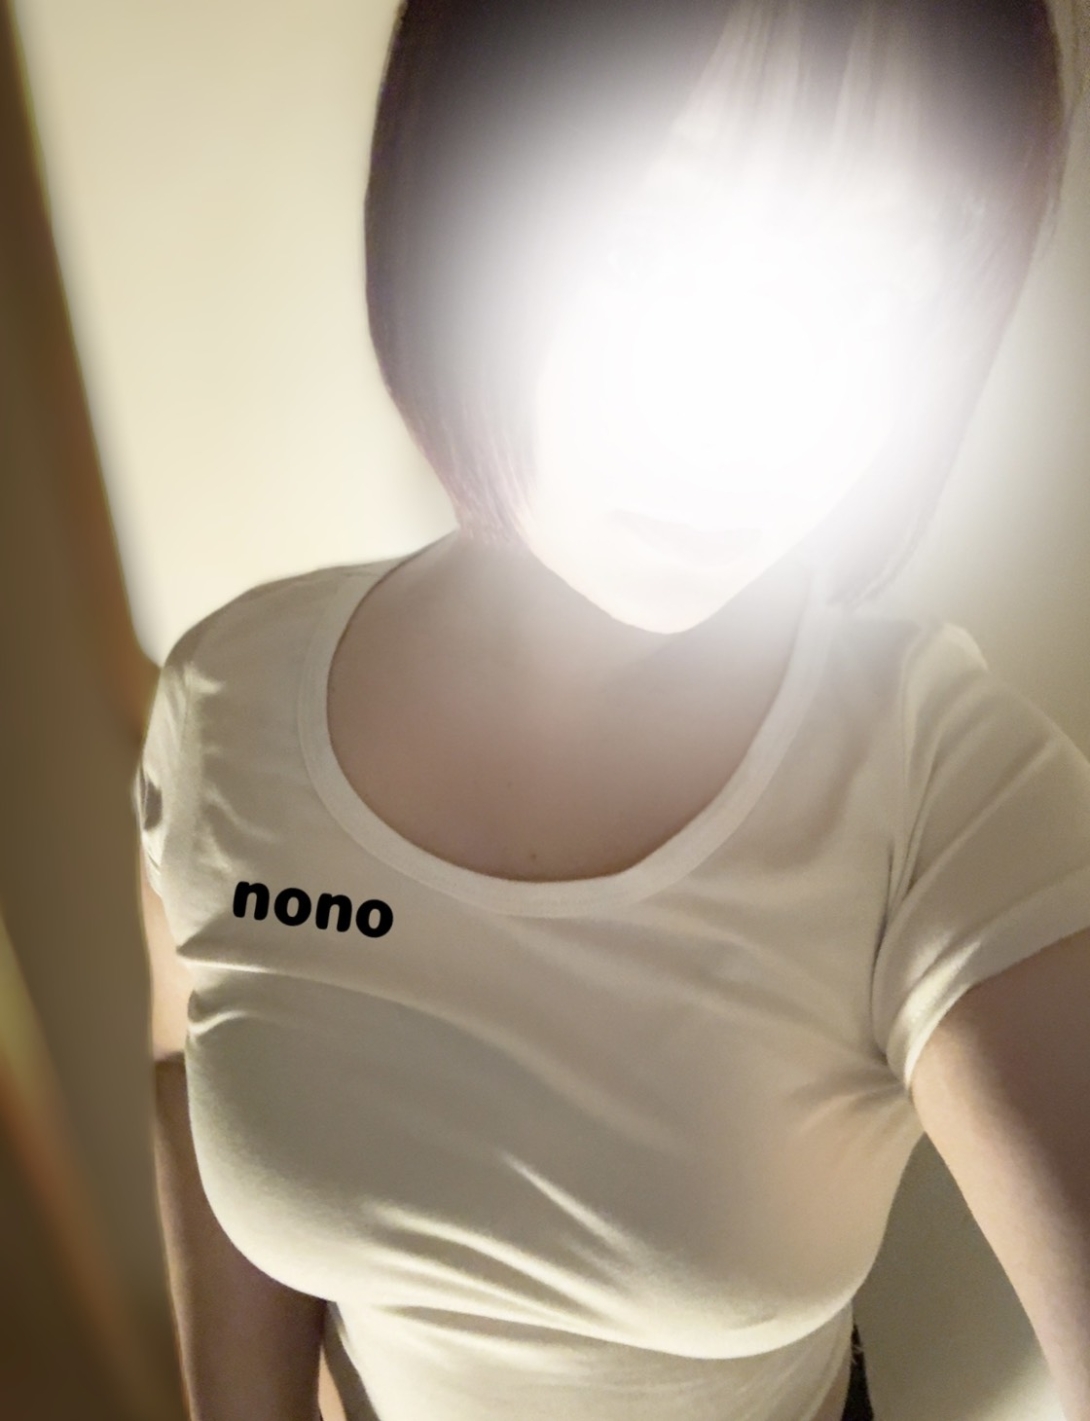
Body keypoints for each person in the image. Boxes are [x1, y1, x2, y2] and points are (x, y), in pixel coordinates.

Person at [136, 3, 1090, 1420]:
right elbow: (190, 1064)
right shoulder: (224, 701)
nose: (756, 402)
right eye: (648, 238)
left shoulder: (943, 788)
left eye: (878, 288)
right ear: (455, 195)